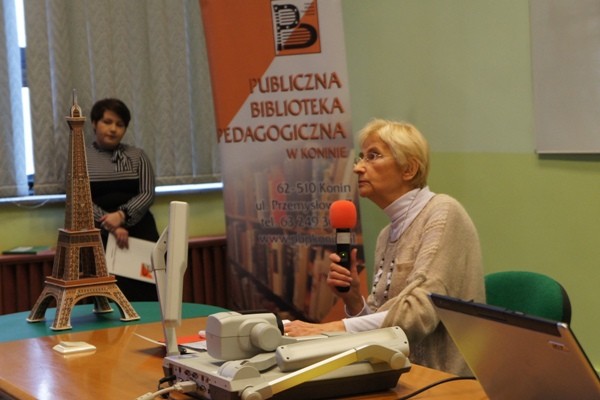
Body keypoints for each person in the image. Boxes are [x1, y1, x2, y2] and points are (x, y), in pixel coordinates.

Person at [284, 119, 485, 375]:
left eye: (373, 156)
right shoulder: (385, 235)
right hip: (396, 372)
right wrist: (354, 300)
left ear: (409, 169)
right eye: (361, 157)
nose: (358, 167)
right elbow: (384, 326)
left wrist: (334, 328)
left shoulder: (443, 213)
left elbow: (420, 314)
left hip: (441, 379)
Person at [87, 98, 159, 301]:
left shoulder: (138, 156)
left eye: (120, 125)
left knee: (147, 294)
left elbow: (147, 193)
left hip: (140, 233)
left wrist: (121, 216)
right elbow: (79, 201)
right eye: (107, 122)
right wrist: (110, 225)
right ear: (94, 123)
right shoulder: (81, 158)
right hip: (99, 235)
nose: (113, 129)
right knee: (107, 299)